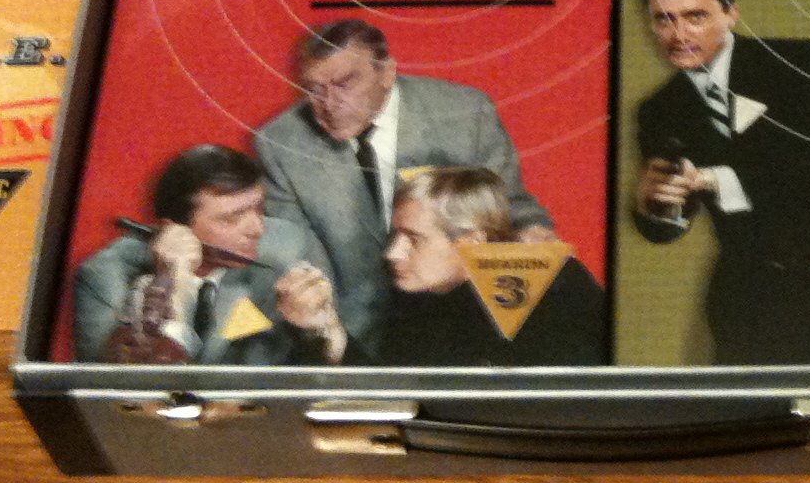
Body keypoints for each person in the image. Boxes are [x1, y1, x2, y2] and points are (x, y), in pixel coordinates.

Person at [253, 19, 552, 356]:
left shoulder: (465, 115)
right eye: (314, 88)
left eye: (344, 83)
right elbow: (298, 257)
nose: (329, 103)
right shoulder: (280, 144)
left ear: (387, 72)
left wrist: (532, 232)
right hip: (349, 326)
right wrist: (332, 335)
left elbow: (510, 206)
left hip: (459, 321)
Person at [629, 0, 810, 364]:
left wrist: (713, 180)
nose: (678, 34)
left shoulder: (797, 62)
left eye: (695, 17)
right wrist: (656, 205)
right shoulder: (658, 109)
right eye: (664, 20)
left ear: (730, 14)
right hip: (743, 299)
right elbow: (664, 231)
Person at [278, 167, 606, 367]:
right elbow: (393, 397)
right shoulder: (418, 298)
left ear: (472, 242)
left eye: (414, 239)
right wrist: (330, 332)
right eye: (395, 236)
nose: (392, 253)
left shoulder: (555, 288)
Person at [73, 145, 301, 364]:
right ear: (173, 228)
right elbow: (119, 379)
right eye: (231, 218)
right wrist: (175, 281)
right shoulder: (104, 275)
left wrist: (314, 333)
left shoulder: (278, 257)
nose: (257, 229)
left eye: (260, 209)